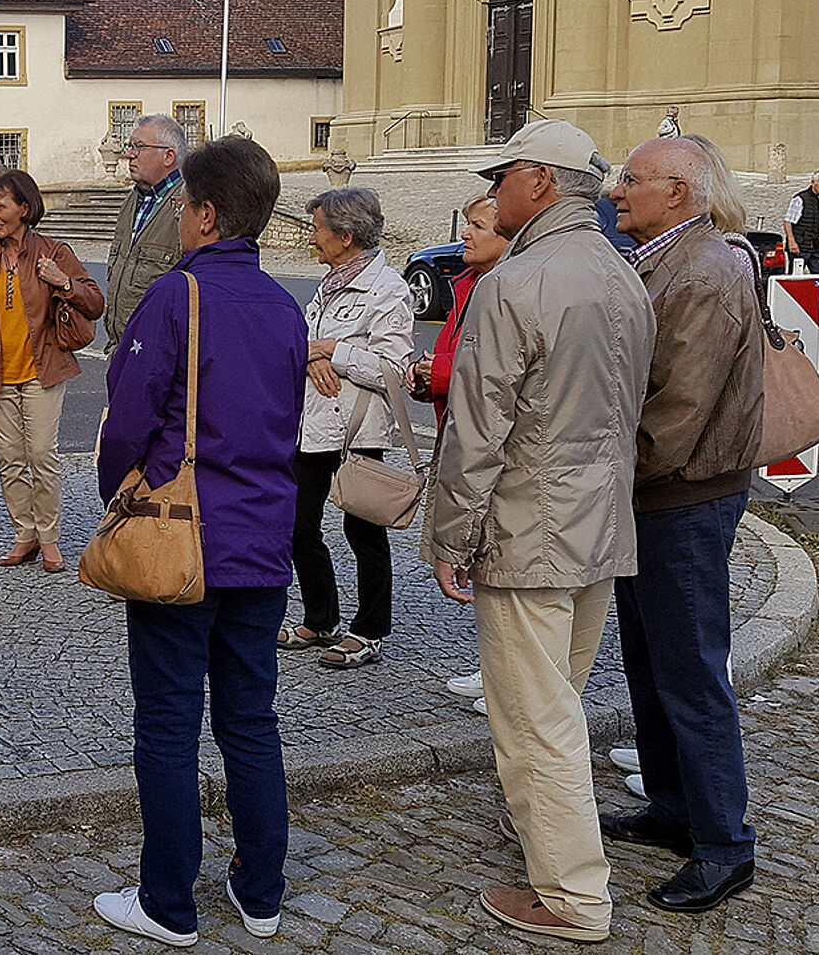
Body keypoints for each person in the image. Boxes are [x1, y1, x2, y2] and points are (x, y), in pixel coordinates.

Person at [425, 120, 653, 944]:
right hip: (599, 522)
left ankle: (572, 896)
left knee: (535, 716)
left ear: (544, 184)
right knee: (556, 702)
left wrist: (449, 539)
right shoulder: (623, 273)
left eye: (506, 175)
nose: (493, 192)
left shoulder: (517, 284)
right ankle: (553, 850)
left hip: (531, 528)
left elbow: (478, 433)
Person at [91, 135, 308, 946]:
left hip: (183, 541)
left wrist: (121, 491)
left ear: (207, 213)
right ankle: (262, 893)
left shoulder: (176, 296)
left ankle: (167, 903)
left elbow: (128, 416)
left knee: (170, 722)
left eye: (183, 205)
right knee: (251, 721)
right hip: (263, 541)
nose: (178, 217)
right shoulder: (286, 305)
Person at [605, 136, 764, 913]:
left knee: (692, 671)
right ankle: (672, 807)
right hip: (659, 496)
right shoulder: (668, 256)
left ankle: (723, 844)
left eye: (632, 179)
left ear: (680, 191)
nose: (616, 189)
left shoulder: (704, 269)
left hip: (683, 496)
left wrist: (600, 477)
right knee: (651, 660)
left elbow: (677, 413)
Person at [277, 187, 414, 668]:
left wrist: (334, 351)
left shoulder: (388, 289)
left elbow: (394, 369)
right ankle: (322, 618)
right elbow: (305, 345)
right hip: (312, 426)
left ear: (346, 236)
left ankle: (370, 630)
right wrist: (315, 354)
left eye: (318, 229)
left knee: (364, 532)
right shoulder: (329, 284)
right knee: (298, 527)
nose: (312, 239)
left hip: (358, 430)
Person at [0, 169, 104, 573]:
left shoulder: (54, 252)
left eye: (0, 206)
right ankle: (24, 534)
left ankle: (49, 538)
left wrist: (63, 283)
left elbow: (95, 304)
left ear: (24, 208)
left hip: (43, 370)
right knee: (9, 458)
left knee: (42, 454)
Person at [406, 194, 510, 706]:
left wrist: (437, 373)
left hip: (489, 445)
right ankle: (495, 666)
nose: (465, 234)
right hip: (456, 431)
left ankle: (505, 675)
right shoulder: (468, 285)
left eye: (477, 225)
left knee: (494, 560)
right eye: (467, 223)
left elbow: (495, 373)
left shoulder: (505, 289)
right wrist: (425, 378)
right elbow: (453, 357)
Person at [103, 115, 187, 353]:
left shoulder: (188, 205)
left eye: (138, 147)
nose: (129, 154)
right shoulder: (132, 201)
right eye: (130, 146)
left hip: (160, 354)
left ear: (168, 156)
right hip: (121, 350)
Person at [783, 170, 819, 315]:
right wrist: (792, 242)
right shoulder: (800, 199)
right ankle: (791, 304)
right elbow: (788, 222)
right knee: (796, 278)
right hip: (800, 245)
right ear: (813, 183)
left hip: (817, 246)